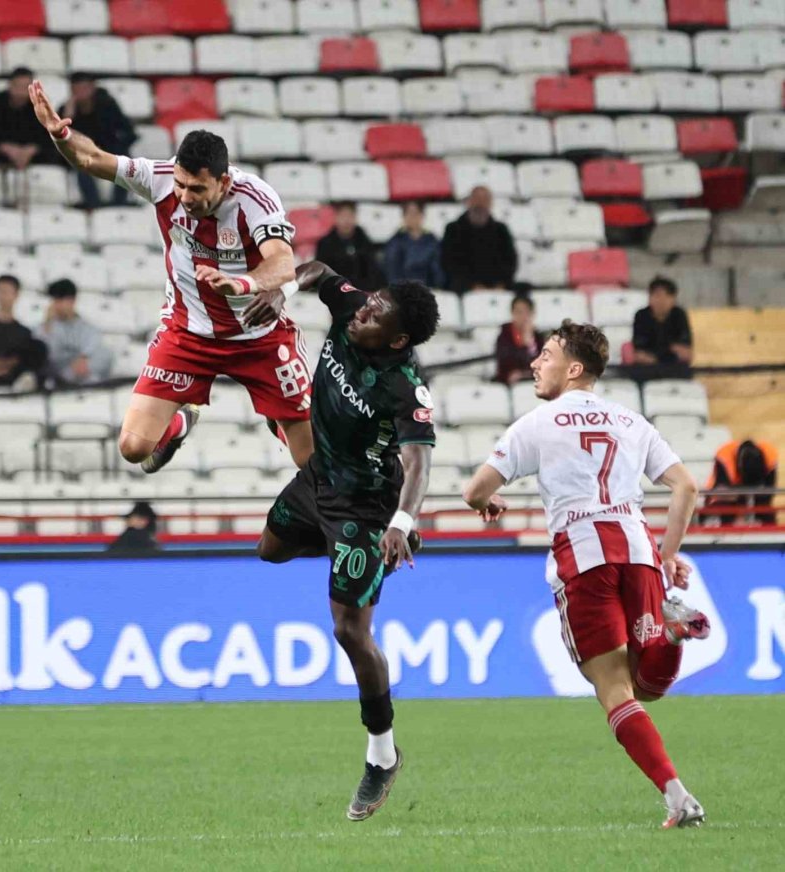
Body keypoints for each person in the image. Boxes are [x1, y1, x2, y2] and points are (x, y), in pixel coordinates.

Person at [463, 320, 710, 830]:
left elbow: (473, 491)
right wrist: (667, 556)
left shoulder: (538, 423)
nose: (535, 362)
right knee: (645, 686)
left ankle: (679, 799)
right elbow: (686, 487)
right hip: (639, 552)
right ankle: (673, 633)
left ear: (573, 369)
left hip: (583, 555)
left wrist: (489, 501)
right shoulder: (631, 420)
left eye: (546, 355)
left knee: (614, 690)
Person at [29, 80, 313, 475]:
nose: (185, 196)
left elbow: (283, 262)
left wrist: (244, 283)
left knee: (311, 461)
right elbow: (92, 159)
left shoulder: (255, 199)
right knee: (133, 448)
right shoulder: (159, 178)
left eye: (197, 188)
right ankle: (182, 421)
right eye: (181, 184)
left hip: (257, 337)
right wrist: (60, 134)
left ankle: (281, 422)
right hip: (189, 334)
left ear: (224, 182)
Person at [256, 260, 439, 822]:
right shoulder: (350, 306)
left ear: (398, 338)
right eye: (367, 302)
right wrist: (285, 289)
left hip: (365, 509)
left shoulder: (404, 386)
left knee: (349, 630)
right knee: (269, 548)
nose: (362, 310)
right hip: (318, 480)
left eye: (375, 312)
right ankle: (358, 563)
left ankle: (381, 754)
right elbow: (317, 269)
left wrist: (402, 523)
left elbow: (419, 463)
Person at [61, 72, 136, 209]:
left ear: (92, 88)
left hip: (109, 148)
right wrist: (68, 117)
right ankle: (93, 204)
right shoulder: (66, 109)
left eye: (85, 88)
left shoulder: (107, 104)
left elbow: (126, 130)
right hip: (81, 151)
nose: (81, 93)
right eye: (77, 89)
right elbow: (60, 137)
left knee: (125, 162)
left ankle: (119, 202)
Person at [0, 67, 58, 169]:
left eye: (25, 87)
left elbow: (48, 137)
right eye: (17, 86)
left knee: (53, 155)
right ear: (10, 85)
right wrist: (7, 148)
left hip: (32, 152)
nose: (20, 91)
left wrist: (31, 150)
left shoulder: (40, 104)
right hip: (2, 151)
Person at [34, 279, 113, 386]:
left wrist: (84, 357)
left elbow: (94, 351)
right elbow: (45, 353)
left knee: (104, 354)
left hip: (81, 372)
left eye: (61, 300)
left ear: (72, 301)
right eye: (55, 301)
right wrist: (48, 324)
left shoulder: (87, 328)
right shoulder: (46, 326)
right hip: (56, 372)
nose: (57, 306)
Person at [441, 186, 517, 293]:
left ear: (491, 203)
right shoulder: (453, 229)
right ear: (469, 202)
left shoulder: (501, 230)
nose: (480, 204)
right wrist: (471, 285)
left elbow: (510, 261)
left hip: (497, 286)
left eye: (485, 199)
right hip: (464, 286)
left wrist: (501, 284)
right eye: (477, 199)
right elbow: (449, 263)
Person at [704, 439, 778, 526]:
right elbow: (722, 493)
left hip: (754, 497)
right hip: (724, 498)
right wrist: (741, 516)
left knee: (767, 512)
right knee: (724, 509)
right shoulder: (724, 455)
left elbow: (768, 494)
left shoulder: (769, 456)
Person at [315, 202, 384, 291]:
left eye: (350, 216)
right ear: (336, 218)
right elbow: (322, 275)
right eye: (343, 216)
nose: (346, 221)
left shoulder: (364, 241)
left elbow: (372, 271)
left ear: (355, 218)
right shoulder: (325, 244)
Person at [632, 277, 693, 375]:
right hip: (647, 371)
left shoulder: (679, 315)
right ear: (650, 298)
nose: (662, 300)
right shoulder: (641, 316)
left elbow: (687, 354)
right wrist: (669, 352)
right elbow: (639, 355)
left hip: (676, 370)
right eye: (657, 295)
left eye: (667, 296)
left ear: (674, 299)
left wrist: (657, 356)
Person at [383, 200, 444, 287]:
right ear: (404, 217)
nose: (413, 217)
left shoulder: (432, 241)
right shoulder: (395, 242)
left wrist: (436, 287)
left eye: (416, 213)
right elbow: (392, 272)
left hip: (428, 289)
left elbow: (437, 271)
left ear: (422, 215)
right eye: (409, 213)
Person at [494, 294, 543, 385]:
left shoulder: (538, 337)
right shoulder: (504, 336)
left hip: (532, 380)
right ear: (512, 314)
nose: (523, 316)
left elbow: (542, 364)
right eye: (519, 312)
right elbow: (504, 364)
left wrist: (530, 343)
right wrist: (524, 346)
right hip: (509, 383)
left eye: (527, 312)